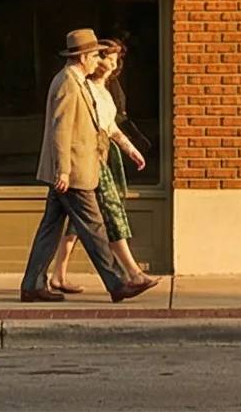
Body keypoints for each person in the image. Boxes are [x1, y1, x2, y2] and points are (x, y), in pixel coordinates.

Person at [18, 28, 156, 305]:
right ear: (82, 57)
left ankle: (32, 284)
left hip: (75, 169)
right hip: (74, 171)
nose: (98, 61)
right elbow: (61, 130)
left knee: (50, 228)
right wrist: (64, 171)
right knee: (94, 227)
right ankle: (118, 284)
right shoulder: (68, 83)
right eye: (94, 55)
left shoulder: (76, 80)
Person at [50, 38, 151, 294]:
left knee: (70, 223)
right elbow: (61, 130)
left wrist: (131, 150)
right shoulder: (77, 86)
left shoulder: (104, 90)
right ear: (88, 59)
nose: (110, 63)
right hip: (87, 162)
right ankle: (130, 275)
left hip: (101, 158)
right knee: (107, 217)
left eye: (115, 59)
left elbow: (111, 128)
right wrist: (63, 168)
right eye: (103, 57)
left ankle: (55, 277)